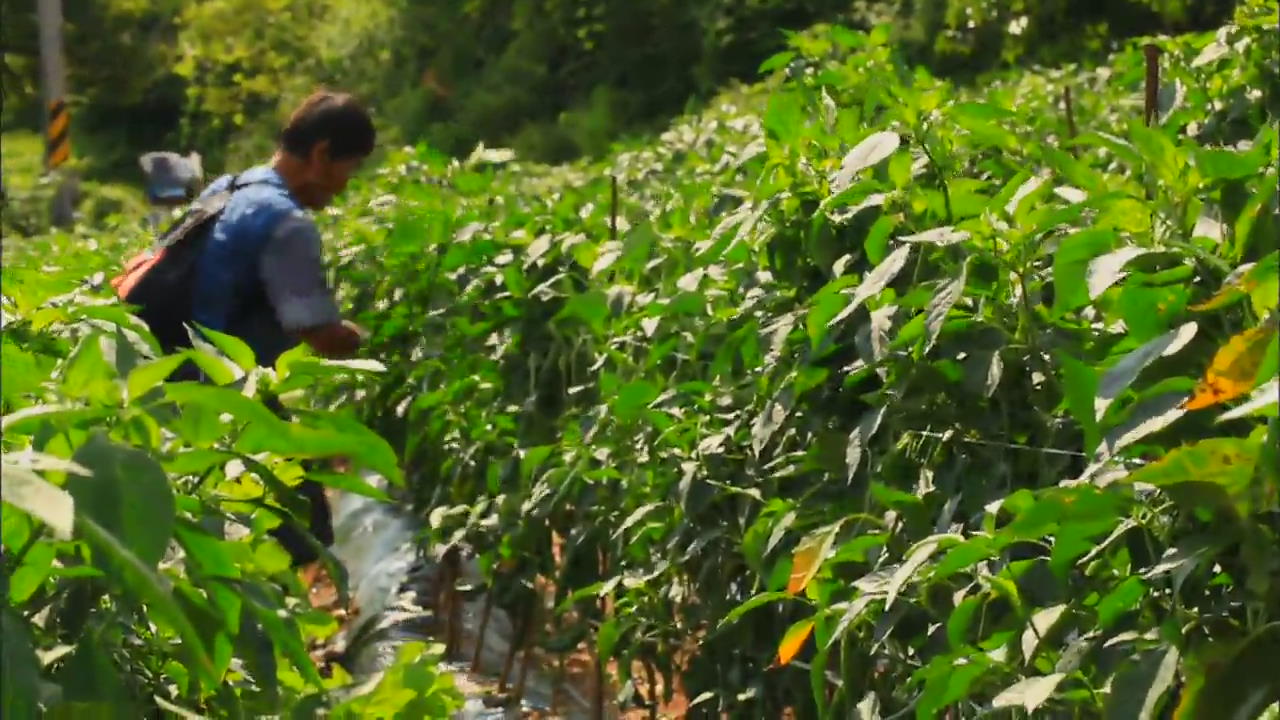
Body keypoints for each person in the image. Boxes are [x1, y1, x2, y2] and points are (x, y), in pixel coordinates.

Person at [189, 90, 374, 578]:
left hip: (178, 379)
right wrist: (366, 340)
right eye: (349, 168)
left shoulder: (228, 188)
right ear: (321, 154)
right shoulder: (286, 222)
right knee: (301, 530)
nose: (344, 186)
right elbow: (318, 332)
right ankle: (268, 638)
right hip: (229, 397)